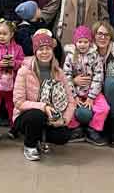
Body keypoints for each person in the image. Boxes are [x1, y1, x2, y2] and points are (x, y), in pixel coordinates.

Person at [12, 30, 75, 162]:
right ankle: (30, 146)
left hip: (50, 116)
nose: (44, 52)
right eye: (41, 49)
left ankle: (40, 138)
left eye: (48, 49)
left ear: (52, 50)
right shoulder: (24, 71)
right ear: (35, 52)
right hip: (26, 116)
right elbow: (19, 102)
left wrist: (63, 120)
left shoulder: (59, 72)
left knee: (63, 136)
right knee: (37, 115)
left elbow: (71, 101)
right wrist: (44, 107)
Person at [63, 25, 107, 146]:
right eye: (80, 42)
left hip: (91, 91)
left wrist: (91, 97)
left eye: (85, 42)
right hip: (75, 91)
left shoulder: (95, 56)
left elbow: (98, 76)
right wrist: (74, 96)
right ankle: (75, 129)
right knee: (68, 106)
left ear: (90, 42)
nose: (82, 45)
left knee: (104, 108)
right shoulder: (70, 56)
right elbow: (66, 77)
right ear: (75, 42)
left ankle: (93, 130)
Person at [0, 19, 24, 141]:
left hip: (13, 86)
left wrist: (14, 64)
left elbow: (23, 63)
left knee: (12, 107)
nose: (1, 36)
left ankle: (15, 128)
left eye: (4, 34)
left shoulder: (18, 48)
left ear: (11, 34)